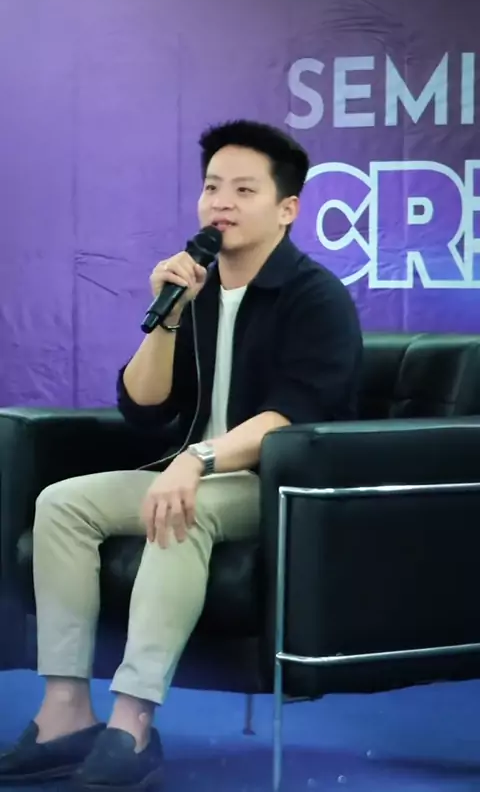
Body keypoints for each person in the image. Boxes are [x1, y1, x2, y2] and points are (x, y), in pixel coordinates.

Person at [0, 120, 363, 790]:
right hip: (192, 468)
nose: (221, 202)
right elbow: (143, 407)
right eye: (212, 187)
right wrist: (167, 315)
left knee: (181, 511)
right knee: (61, 504)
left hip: (278, 484)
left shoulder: (316, 298)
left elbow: (293, 416)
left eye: (244, 190)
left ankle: (133, 723)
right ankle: (65, 715)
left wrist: (196, 459)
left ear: (287, 208)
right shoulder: (195, 291)